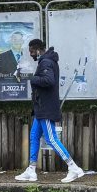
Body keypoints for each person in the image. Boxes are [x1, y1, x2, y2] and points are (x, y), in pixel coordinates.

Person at [14, 39, 85, 184]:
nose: (31, 54)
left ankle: (74, 168)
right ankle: (31, 170)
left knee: (51, 139)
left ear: (38, 50)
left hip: (46, 109)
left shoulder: (46, 62)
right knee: (34, 136)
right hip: (41, 109)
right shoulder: (45, 61)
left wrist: (30, 78)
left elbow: (48, 80)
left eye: (32, 51)